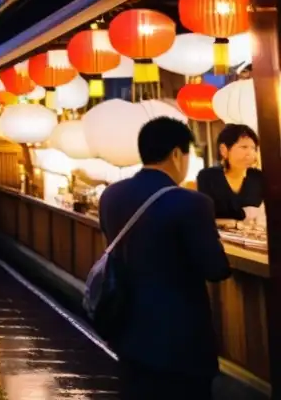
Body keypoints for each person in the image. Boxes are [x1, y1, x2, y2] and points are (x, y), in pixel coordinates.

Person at [99, 117, 231, 399]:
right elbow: (216, 268)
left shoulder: (111, 195)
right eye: (188, 154)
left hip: (127, 331)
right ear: (175, 154)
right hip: (180, 339)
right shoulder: (192, 202)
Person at [196, 123, 265, 222]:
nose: (250, 153)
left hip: (251, 236)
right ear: (224, 150)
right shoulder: (207, 177)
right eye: (244, 147)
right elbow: (205, 217)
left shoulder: (258, 177)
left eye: (253, 148)